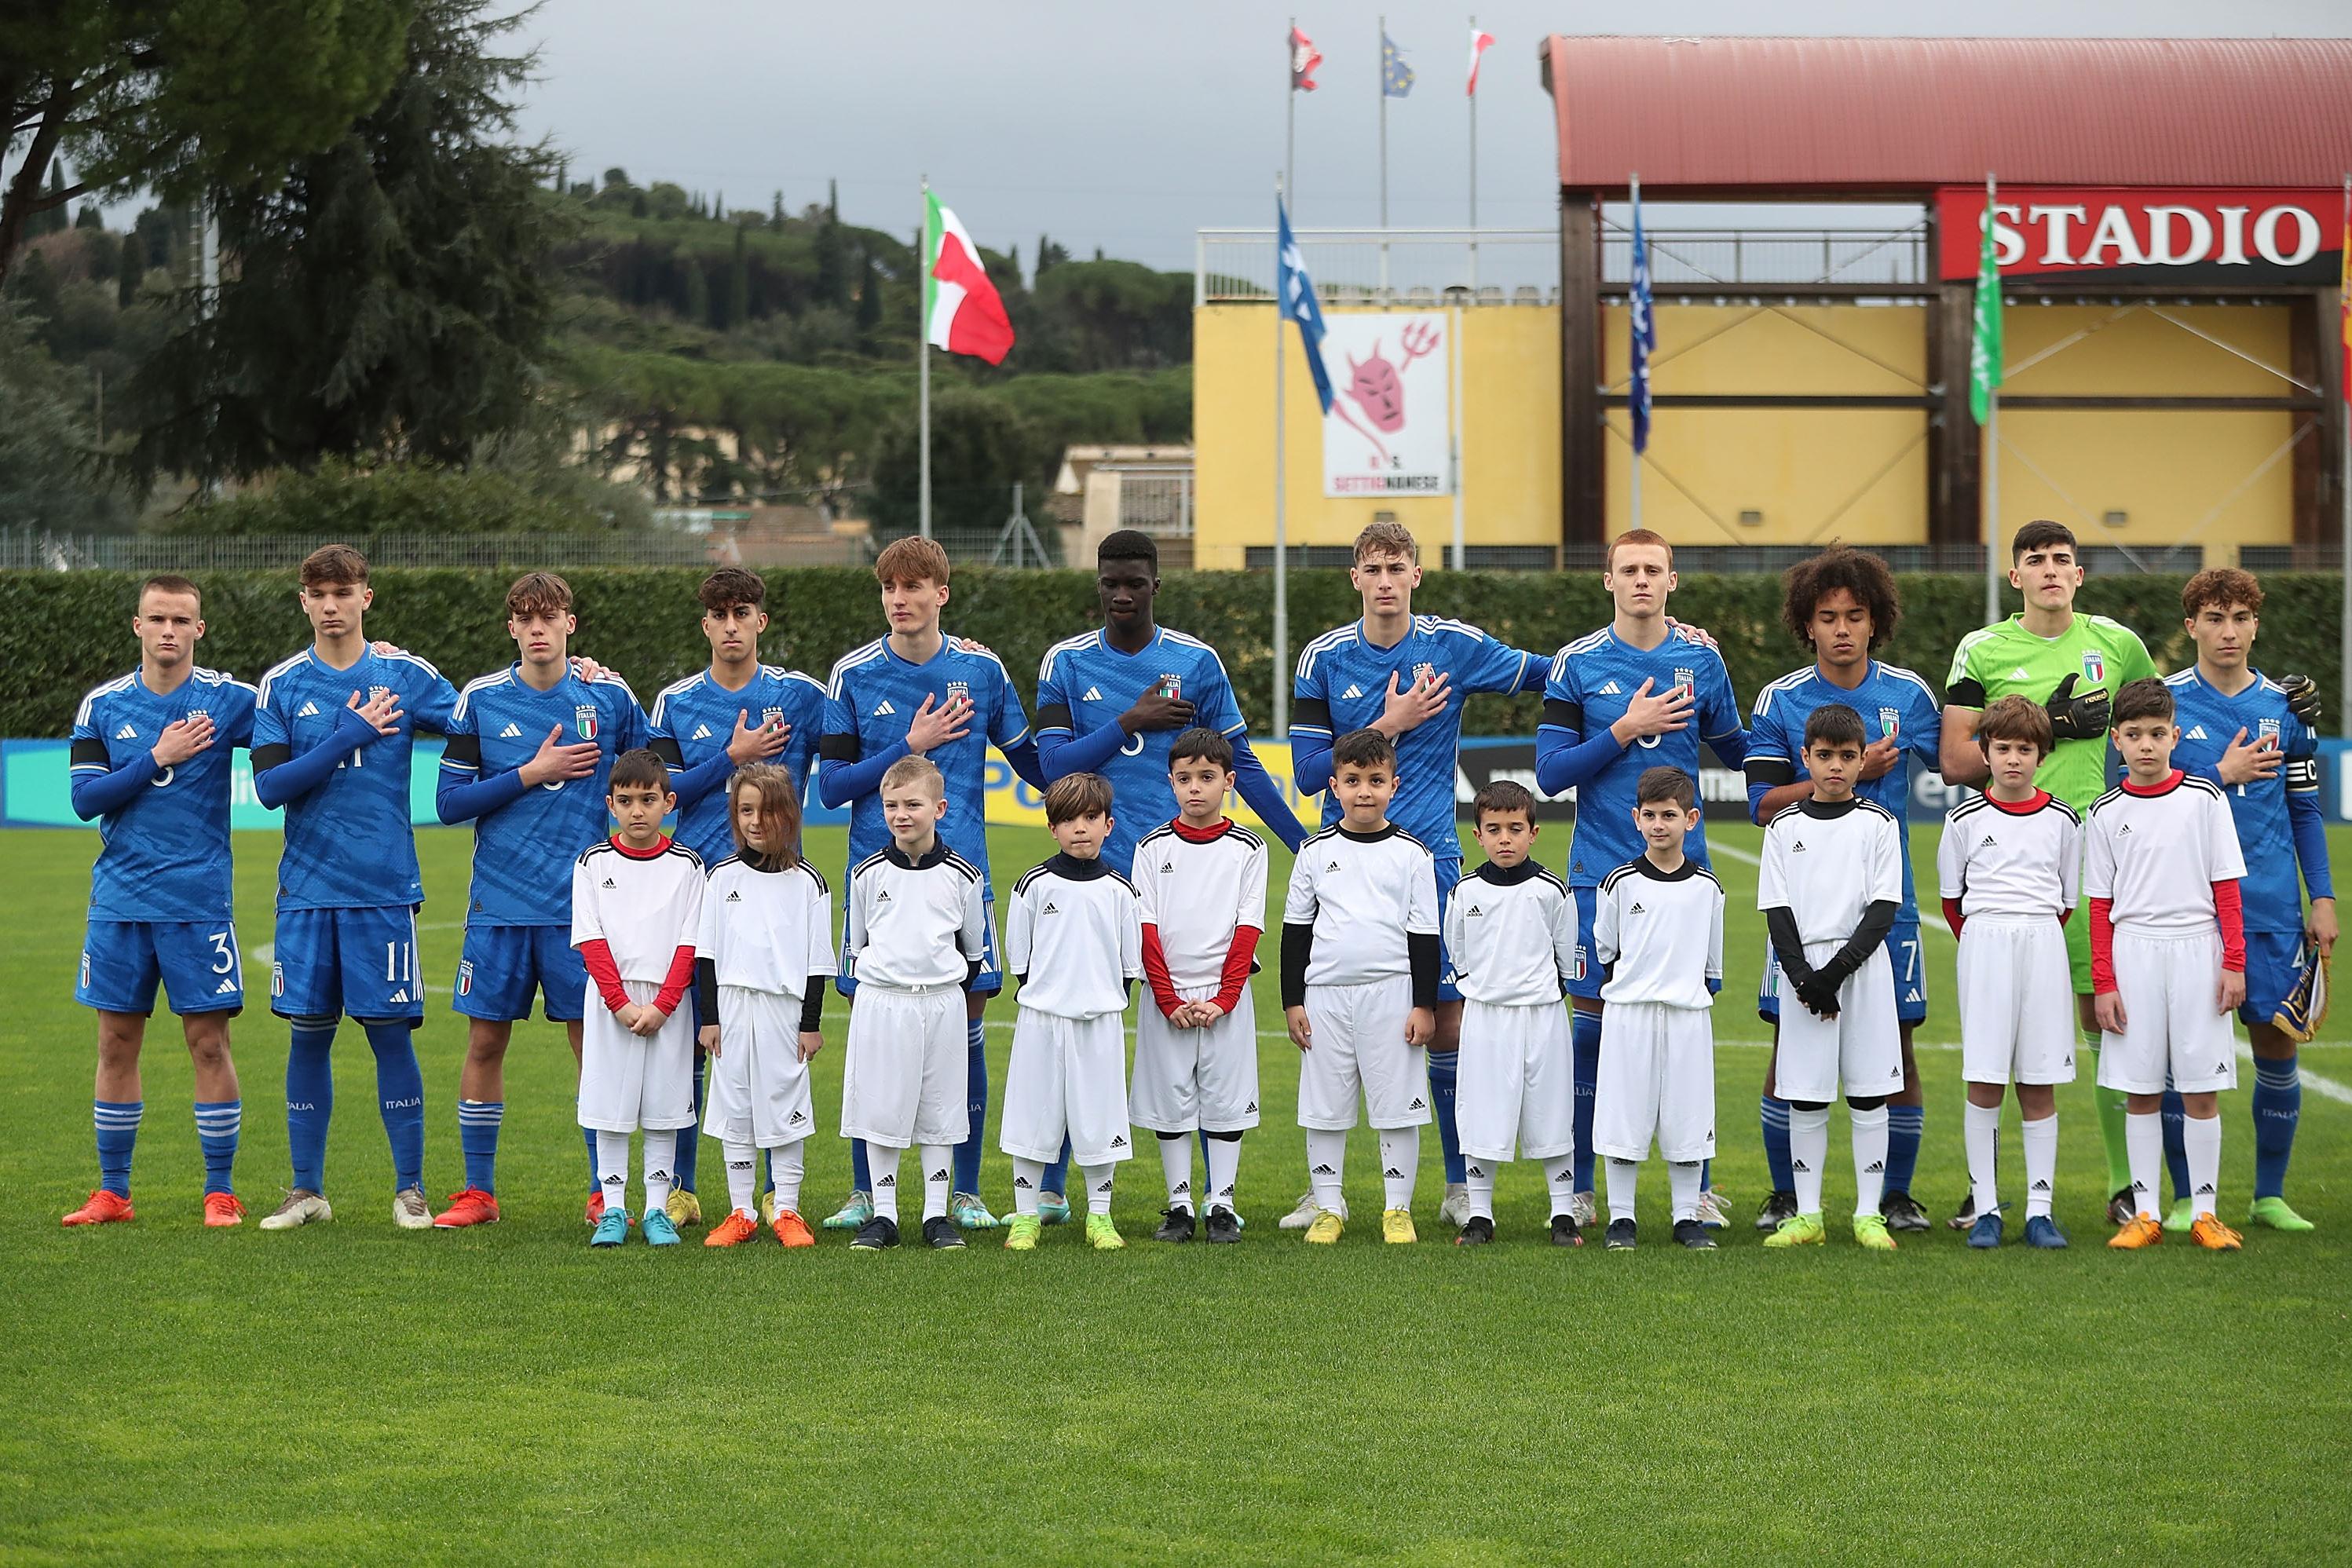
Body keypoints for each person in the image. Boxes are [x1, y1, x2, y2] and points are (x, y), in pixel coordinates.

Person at [1286, 521, 1547, 1231]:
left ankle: (1461, 1184)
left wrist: (1645, 631)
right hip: (1341, 871)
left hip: (1428, 863)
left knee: (1446, 1025)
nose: (1384, 580)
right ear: (1355, 579)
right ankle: (1326, 1190)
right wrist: (1389, 720)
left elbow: (1556, 672)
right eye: (1371, 568)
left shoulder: (1451, 646)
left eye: (1396, 567)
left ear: (1415, 575)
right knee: (1332, 1029)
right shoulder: (1324, 658)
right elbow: (1310, 775)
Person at [1035, 529, 1303, 1219]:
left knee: (1194, 1044)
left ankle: (1210, 1198)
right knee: (1075, 1029)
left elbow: (1240, 763)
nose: (1121, 594)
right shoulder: (1064, 662)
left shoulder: (1197, 661)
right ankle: (1056, 1187)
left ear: (1157, 585)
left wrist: (1308, 845)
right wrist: (1130, 719)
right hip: (1090, 882)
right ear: (1097, 585)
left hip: (1180, 886)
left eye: (1134, 582)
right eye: (1108, 583)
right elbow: (1053, 769)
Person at [818, 536, 1046, 1234]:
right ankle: (866, 1190)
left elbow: (1034, 761)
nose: (900, 599)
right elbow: (830, 788)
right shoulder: (852, 674)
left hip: (961, 881)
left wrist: (1109, 790)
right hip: (876, 885)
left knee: (967, 1028)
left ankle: (966, 1189)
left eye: (915, 587)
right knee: (873, 1034)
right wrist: (908, 746)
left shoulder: (979, 670)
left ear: (941, 594)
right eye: (890, 588)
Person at [1939, 520, 2158, 1226]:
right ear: (2015, 577)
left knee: (2104, 1018)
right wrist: (2055, 723)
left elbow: (2154, 727)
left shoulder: (2116, 644)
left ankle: (2125, 1186)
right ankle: (1987, 1195)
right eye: (2035, 560)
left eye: (2062, 559)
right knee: (1996, 1046)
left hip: (2096, 854)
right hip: (2008, 867)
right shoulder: (1982, 646)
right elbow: (1953, 760)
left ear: (2079, 574)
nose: (2050, 570)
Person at [1536, 528, 1746, 1230]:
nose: (1640, 581)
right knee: (1593, 1034)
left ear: (1672, 581)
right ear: (1607, 581)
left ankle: (1698, 1190)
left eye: (1652, 569)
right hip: (1600, 876)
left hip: (1685, 882)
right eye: (1627, 570)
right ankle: (1583, 1188)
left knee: (1684, 1026)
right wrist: (1625, 727)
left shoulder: (1701, 659)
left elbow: (1740, 748)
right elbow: (1550, 773)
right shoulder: (1577, 663)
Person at [251, 544, 463, 1231]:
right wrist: (349, 733)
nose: (332, 604)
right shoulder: (281, 685)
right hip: (308, 891)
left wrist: (573, 673)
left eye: (345, 591)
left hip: (383, 888)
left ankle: (410, 1190)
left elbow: (484, 717)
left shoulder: (406, 674)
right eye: (320, 593)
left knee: (390, 1035)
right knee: (307, 1037)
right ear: (305, 601)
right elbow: (270, 788)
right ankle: (305, 1190)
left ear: (366, 597)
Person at [430, 572, 648, 1230]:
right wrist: (531, 772)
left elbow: (653, 779)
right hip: (498, 907)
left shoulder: (608, 697)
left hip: (581, 911)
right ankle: (478, 1191)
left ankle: (602, 1189)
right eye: (525, 618)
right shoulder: (481, 700)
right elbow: (447, 804)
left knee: (593, 1050)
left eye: (549, 617)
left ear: (569, 625)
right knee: (485, 1043)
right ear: (512, 629)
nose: (537, 628)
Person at [1744, 547, 1940, 1234]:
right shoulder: (1779, 698)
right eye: (1826, 616)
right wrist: (1854, 774)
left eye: (1854, 615)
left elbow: (1964, 762)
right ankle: (1784, 1194)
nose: (1841, 629)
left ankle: (1895, 1196)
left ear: (1875, 620)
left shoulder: (1910, 695)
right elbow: (1762, 804)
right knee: (1786, 1048)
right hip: (1802, 918)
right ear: (1806, 624)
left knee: (1900, 1047)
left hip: (1889, 912)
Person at [63, 576, 258, 1228]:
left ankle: (220, 1190)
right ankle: (113, 1192)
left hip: (197, 902)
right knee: (116, 1043)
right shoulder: (102, 705)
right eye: (157, 618)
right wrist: (157, 755)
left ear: (199, 630)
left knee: (209, 1043)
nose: (168, 630)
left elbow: (296, 718)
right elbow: (86, 799)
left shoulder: (230, 699)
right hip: (119, 902)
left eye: (181, 619)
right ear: (137, 626)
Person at [2156, 568, 2334, 1234]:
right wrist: (2217, 773)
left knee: (2275, 1047)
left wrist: (2322, 897)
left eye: (2239, 618)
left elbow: (2305, 809)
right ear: (2190, 627)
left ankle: (2266, 1195)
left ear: (2255, 624)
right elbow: (2132, 782)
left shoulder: (2288, 708)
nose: (2226, 631)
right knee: (2182, 1057)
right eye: (2213, 618)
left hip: (2268, 909)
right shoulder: (2166, 702)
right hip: (2185, 909)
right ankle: (2184, 1199)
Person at [649, 566, 825, 1225]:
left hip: (779, 893)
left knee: (776, 1053)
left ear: (761, 621)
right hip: (700, 885)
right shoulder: (674, 701)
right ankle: (684, 1187)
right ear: (705, 625)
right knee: (696, 1040)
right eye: (718, 614)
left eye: (741, 612)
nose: (730, 625)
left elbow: (846, 738)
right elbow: (667, 796)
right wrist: (732, 754)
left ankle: (783, 1203)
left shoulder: (802, 695)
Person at [2088, 679, 2248, 1253]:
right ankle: (2146, 1212)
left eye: (2157, 734)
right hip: (2134, 952)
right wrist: (2103, 982)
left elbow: (2225, 888)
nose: (2146, 745)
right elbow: (2100, 906)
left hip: (2196, 950)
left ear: (2174, 736)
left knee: (2201, 1090)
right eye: (2133, 735)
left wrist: (2233, 962)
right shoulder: (2105, 812)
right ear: (2116, 741)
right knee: (2140, 1090)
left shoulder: (2204, 799)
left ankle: (2204, 1212)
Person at [1280, 729, 1441, 1246]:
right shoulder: (1313, 851)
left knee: (1396, 1105)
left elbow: (1424, 935)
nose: (1364, 791)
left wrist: (1423, 1004)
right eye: (1352, 781)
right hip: (1325, 995)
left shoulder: (1413, 854)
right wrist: (1292, 1000)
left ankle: (1397, 1209)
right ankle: (1328, 1207)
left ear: (1394, 784)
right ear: (1334, 785)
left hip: (1391, 995)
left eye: (1375, 780)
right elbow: (1295, 932)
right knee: (1324, 1106)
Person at [1757, 705, 1906, 1252]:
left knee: (1868, 1094)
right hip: (1803, 974)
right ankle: (1809, 1214)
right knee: (1806, 1095)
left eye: (1846, 756)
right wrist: (1804, 978)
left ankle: (1868, 1215)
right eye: (1824, 755)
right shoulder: (1783, 825)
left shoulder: (1878, 824)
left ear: (1862, 758)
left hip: (1862, 970)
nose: (1835, 766)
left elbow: (1883, 908)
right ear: (1805, 757)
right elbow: (1776, 908)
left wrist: (1834, 974)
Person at [1936, 696, 2080, 1251]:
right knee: (1985, 1078)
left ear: (2041, 754)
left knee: (2038, 1081)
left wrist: (2029, 933)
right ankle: (1987, 1207)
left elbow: (2065, 900)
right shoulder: (1963, 819)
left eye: (2025, 748)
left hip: (2040, 943)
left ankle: (2039, 1210)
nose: (2013, 759)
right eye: (2002, 748)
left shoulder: (2063, 819)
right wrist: (1986, 940)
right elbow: (1953, 902)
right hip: (1985, 945)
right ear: (1985, 752)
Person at [837, 754, 991, 1252]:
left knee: (941, 1109)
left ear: (940, 808)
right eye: (891, 806)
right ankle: (883, 1215)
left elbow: (972, 951)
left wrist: (936, 986)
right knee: (882, 1108)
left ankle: (934, 1214)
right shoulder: (865, 875)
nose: (901, 815)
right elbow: (856, 945)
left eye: (913, 805)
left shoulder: (965, 877)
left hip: (941, 1004)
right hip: (882, 1003)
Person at [1129, 728, 1267, 1245]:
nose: (1195, 788)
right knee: (1170, 1099)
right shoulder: (1151, 846)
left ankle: (1222, 1202)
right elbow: (1145, 927)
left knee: (1226, 1100)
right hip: (1165, 994)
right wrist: (1166, 999)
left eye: (1206, 777)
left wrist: (1224, 998)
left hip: (1223, 995)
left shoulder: (1247, 848)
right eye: (1184, 778)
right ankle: (1180, 1201)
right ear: (1170, 781)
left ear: (1228, 781)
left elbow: (1247, 926)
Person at [1000, 773, 1144, 1253]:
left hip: (1100, 1024)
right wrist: (1051, 995)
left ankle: (1099, 1217)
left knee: (1101, 1119)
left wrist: (1098, 998)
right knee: (1031, 1118)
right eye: (1067, 820)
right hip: (1042, 1020)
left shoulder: (1121, 891)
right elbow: (1020, 959)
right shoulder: (1032, 885)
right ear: (1052, 828)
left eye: (1090, 819)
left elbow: (1129, 964)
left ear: (1109, 824)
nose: (1079, 829)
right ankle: (1025, 1217)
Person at [695, 763, 832, 1249]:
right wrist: (709, 1018)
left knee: (784, 1104)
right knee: (736, 1108)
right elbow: (705, 955)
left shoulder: (809, 883)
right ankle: (741, 1211)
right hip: (732, 1009)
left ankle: (788, 1209)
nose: (756, 821)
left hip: (784, 1010)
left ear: (789, 815)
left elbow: (818, 961)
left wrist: (810, 1024)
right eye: (745, 810)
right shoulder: (720, 877)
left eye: (767, 811)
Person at [572, 750, 705, 1248]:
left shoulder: (688, 865)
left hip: (667, 1005)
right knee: (610, 1106)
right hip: (613, 1005)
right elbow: (592, 940)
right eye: (626, 801)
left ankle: (656, 1210)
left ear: (668, 803)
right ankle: (613, 1209)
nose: (637, 811)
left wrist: (664, 1005)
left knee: (664, 1109)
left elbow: (691, 944)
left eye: (648, 800)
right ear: (610, 805)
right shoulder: (592, 863)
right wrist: (621, 1004)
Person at [1591, 768, 1725, 1252]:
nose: (1659, 825)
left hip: (1687, 1017)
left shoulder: (1708, 889)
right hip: (1630, 1014)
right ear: (1636, 818)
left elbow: (1713, 963)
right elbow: (1606, 949)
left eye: (1669, 815)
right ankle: (1622, 1219)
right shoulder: (1619, 883)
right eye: (1649, 815)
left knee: (1688, 1117)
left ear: (1690, 819)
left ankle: (1686, 1217)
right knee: (1623, 1116)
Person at [1442, 781, 1581, 1248]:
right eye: (1494, 829)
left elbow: (1567, 956)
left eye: (1515, 829)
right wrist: (1483, 990)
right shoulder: (1464, 891)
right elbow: (1456, 951)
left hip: (1542, 1017)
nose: (1505, 839)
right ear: (1477, 835)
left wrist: (1544, 991)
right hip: (1485, 1018)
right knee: (1482, 1112)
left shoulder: (1552, 890)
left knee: (1552, 1111)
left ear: (1534, 832)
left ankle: (1563, 1213)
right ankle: (1480, 1215)